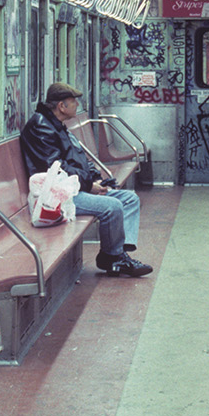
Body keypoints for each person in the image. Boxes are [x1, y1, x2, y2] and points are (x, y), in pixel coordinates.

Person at [20, 82, 151, 278]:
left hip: (73, 187)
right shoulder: (41, 129)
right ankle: (114, 257)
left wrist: (97, 180)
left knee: (130, 199)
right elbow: (56, 169)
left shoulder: (56, 125)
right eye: (73, 102)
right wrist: (89, 185)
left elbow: (77, 158)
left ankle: (117, 253)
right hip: (55, 196)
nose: (77, 106)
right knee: (112, 206)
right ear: (61, 106)